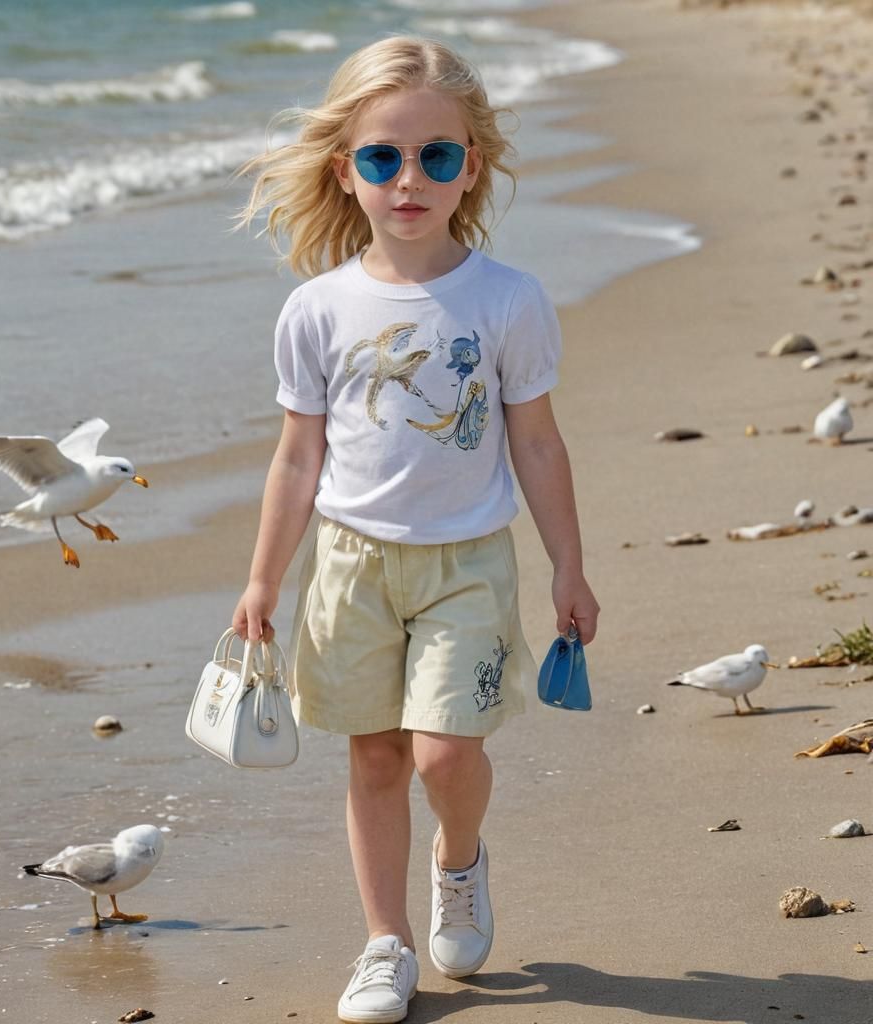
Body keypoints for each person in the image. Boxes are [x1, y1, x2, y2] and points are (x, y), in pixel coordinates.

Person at [230, 36, 599, 1024]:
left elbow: (539, 444)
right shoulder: (315, 310)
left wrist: (569, 565)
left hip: (468, 564)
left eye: (436, 155)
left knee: (443, 755)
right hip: (348, 567)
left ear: (469, 166)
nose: (409, 177)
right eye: (383, 157)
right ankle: (384, 942)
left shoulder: (507, 300)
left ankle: (459, 861)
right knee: (376, 756)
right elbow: (296, 459)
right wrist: (264, 579)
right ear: (343, 169)